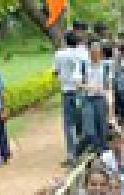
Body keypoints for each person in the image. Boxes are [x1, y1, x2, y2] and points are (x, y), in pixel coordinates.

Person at [53, 32, 85, 167]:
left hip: (67, 92)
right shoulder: (83, 53)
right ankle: (83, 151)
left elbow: (55, 72)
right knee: (82, 122)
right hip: (81, 92)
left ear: (66, 41)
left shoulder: (59, 54)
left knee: (69, 124)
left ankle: (71, 154)